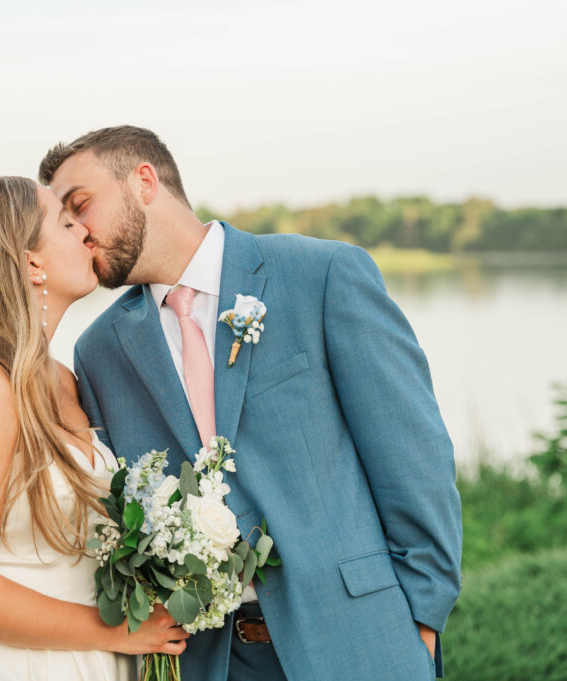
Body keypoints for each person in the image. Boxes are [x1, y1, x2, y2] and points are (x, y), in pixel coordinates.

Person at [38, 127, 463, 681]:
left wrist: (423, 619)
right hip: (206, 660)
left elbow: (413, 455)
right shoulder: (99, 352)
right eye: (64, 221)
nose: (78, 232)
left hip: (358, 638)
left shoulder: (322, 276)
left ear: (144, 181)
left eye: (81, 205)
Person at [0, 175, 189, 680]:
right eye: (67, 223)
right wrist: (117, 632)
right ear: (30, 262)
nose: (86, 234)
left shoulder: (60, 378)